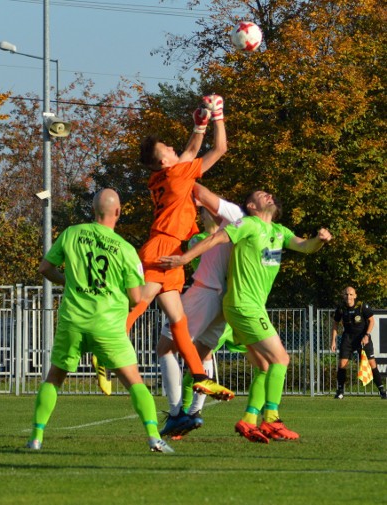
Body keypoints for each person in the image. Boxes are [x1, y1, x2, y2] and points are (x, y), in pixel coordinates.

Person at [161, 190, 332, 443]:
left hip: (252, 307)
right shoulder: (248, 224)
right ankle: (271, 419)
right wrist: (184, 258)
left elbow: (305, 246)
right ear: (251, 206)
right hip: (243, 305)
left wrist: (319, 239)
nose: (270, 195)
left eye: (271, 194)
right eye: (263, 195)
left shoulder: (279, 232)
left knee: (264, 366)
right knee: (281, 359)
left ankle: (249, 420)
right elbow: (216, 238)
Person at [27, 189, 173, 454]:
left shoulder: (72, 233)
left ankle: (36, 438)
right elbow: (135, 297)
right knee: (134, 382)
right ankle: (154, 438)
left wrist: (68, 281)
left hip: (73, 319)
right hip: (107, 325)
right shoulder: (126, 250)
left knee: (54, 378)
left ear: (94, 210)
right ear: (117, 212)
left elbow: (45, 268)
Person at [116, 94, 233, 402]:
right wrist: (216, 116)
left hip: (170, 246)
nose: (173, 148)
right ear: (166, 161)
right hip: (163, 245)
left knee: (178, 319)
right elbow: (217, 149)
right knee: (139, 299)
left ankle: (200, 377)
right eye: (168, 148)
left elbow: (190, 150)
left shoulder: (163, 175)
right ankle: (111, 342)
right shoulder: (177, 174)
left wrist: (199, 123)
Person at [156, 184, 244, 439]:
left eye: (204, 211)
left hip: (204, 292)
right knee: (203, 352)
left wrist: (182, 179)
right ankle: (194, 411)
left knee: (166, 347)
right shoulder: (237, 232)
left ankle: (176, 414)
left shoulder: (225, 228)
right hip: (224, 299)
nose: (201, 214)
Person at [331, 286, 385, 400]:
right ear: (343, 296)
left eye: (351, 294)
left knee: (372, 363)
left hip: (362, 338)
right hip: (348, 338)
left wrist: (367, 335)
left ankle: (382, 390)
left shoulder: (362, 306)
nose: (348, 297)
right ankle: (340, 391)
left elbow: (372, 321)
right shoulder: (341, 308)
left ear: (355, 296)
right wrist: (333, 340)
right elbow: (335, 323)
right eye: (346, 294)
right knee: (342, 364)